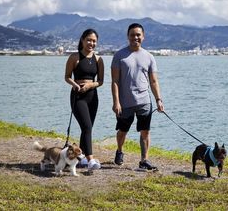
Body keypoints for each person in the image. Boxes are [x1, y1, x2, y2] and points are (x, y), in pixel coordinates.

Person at [111, 23, 164, 170]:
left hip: (144, 101)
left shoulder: (149, 57)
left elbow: (154, 81)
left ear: (143, 36)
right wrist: (116, 102)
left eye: (138, 35)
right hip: (124, 102)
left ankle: (144, 160)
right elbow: (115, 81)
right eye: (132, 35)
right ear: (128, 36)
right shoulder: (119, 56)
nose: (135, 37)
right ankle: (120, 151)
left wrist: (158, 99)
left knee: (145, 131)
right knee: (122, 131)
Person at [65, 28, 104, 170]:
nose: (91, 43)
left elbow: (100, 81)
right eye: (89, 40)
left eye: (94, 41)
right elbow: (67, 76)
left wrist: (90, 85)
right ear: (82, 40)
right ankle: (91, 160)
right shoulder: (74, 57)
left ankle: (80, 159)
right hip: (78, 96)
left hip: (92, 97)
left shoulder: (98, 59)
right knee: (87, 126)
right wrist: (75, 85)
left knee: (87, 128)